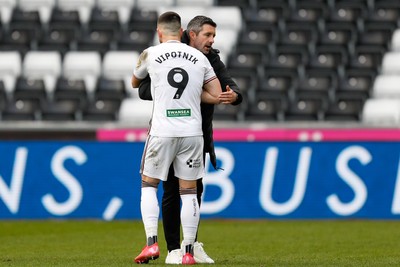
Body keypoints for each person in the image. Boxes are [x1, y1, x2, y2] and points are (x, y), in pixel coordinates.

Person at [138, 16, 243, 264]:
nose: (211, 41)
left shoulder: (210, 58)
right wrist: (192, 92)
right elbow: (144, 90)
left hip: (197, 132)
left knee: (194, 190)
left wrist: (234, 96)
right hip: (175, 130)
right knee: (173, 190)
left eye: (213, 36)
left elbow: (230, 87)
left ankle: (190, 245)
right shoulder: (170, 53)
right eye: (207, 35)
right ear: (191, 34)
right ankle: (174, 248)